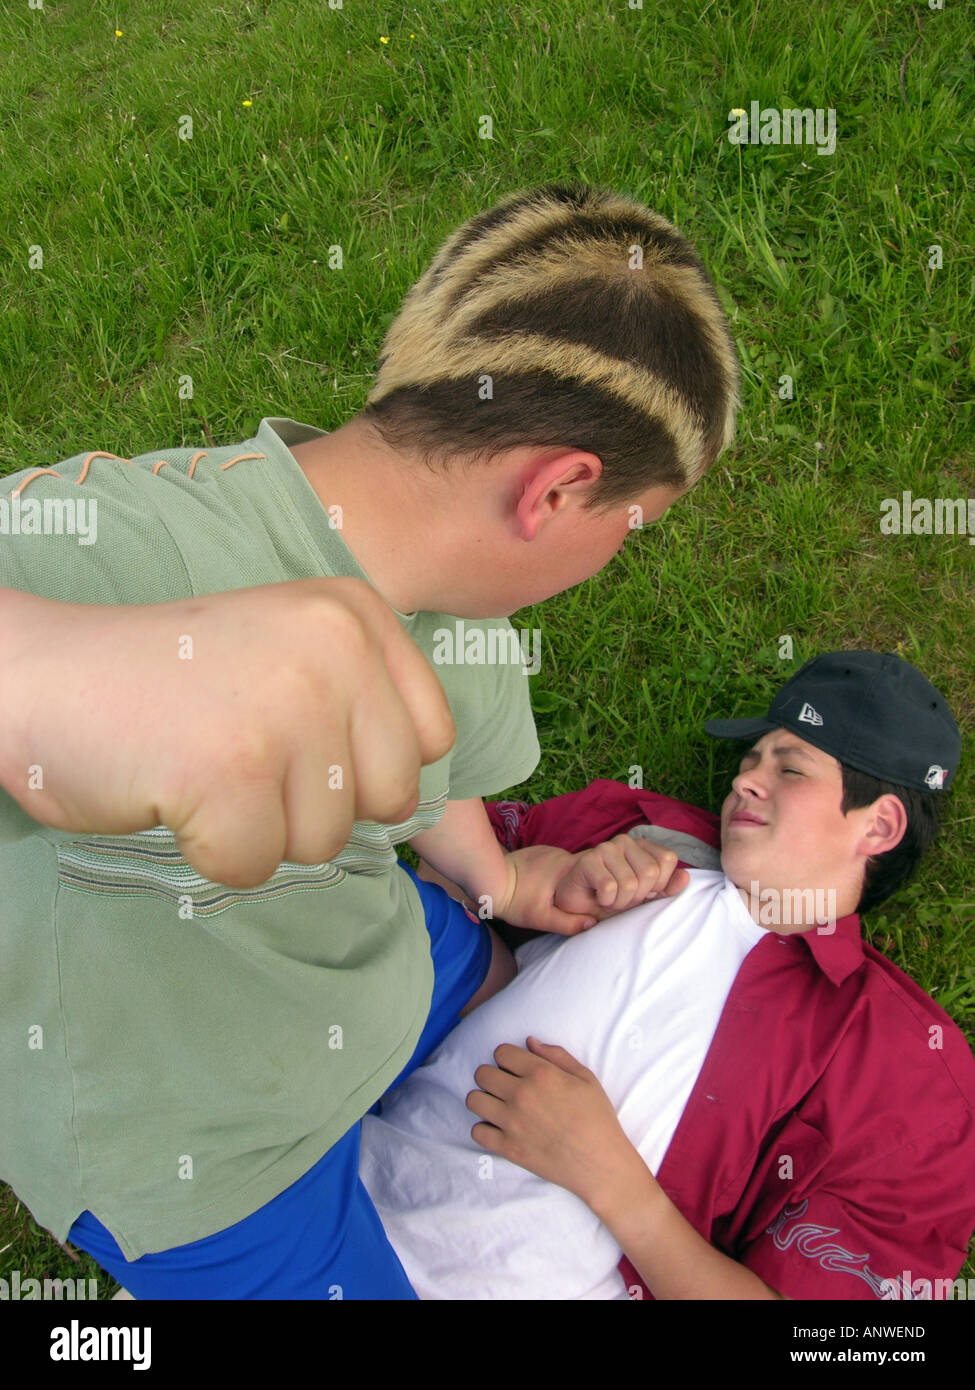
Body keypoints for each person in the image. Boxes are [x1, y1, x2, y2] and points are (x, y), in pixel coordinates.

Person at [0, 181, 739, 1298]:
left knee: (514, 989)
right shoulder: (113, 543)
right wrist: (46, 668)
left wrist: (498, 880)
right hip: (211, 1163)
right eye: (632, 532)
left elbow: (429, 785)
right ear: (560, 489)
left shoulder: (474, 620)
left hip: (373, 958)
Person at [357, 652, 975, 1300]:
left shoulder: (905, 1063)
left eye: (788, 768)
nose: (746, 782)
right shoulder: (644, 831)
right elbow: (434, 868)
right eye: (750, 760)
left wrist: (617, 1186)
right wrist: (535, 888)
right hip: (325, 1185)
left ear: (879, 825)